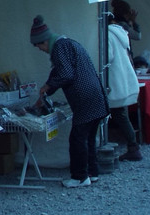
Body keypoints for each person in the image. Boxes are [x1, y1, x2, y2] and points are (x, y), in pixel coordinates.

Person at [30, 15, 109, 188]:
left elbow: (65, 74)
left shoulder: (59, 47)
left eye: (38, 46)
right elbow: (60, 71)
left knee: (78, 139)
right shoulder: (67, 43)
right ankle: (92, 172)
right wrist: (47, 90)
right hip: (95, 96)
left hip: (85, 99)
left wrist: (48, 86)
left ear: (44, 41)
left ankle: (79, 177)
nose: (40, 49)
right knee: (88, 138)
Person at [106, 12, 142, 161]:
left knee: (120, 114)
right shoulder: (121, 32)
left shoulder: (107, 34)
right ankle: (133, 146)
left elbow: (107, 57)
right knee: (122, 114)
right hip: (125, 77)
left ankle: (133, 147)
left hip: (115, 78)